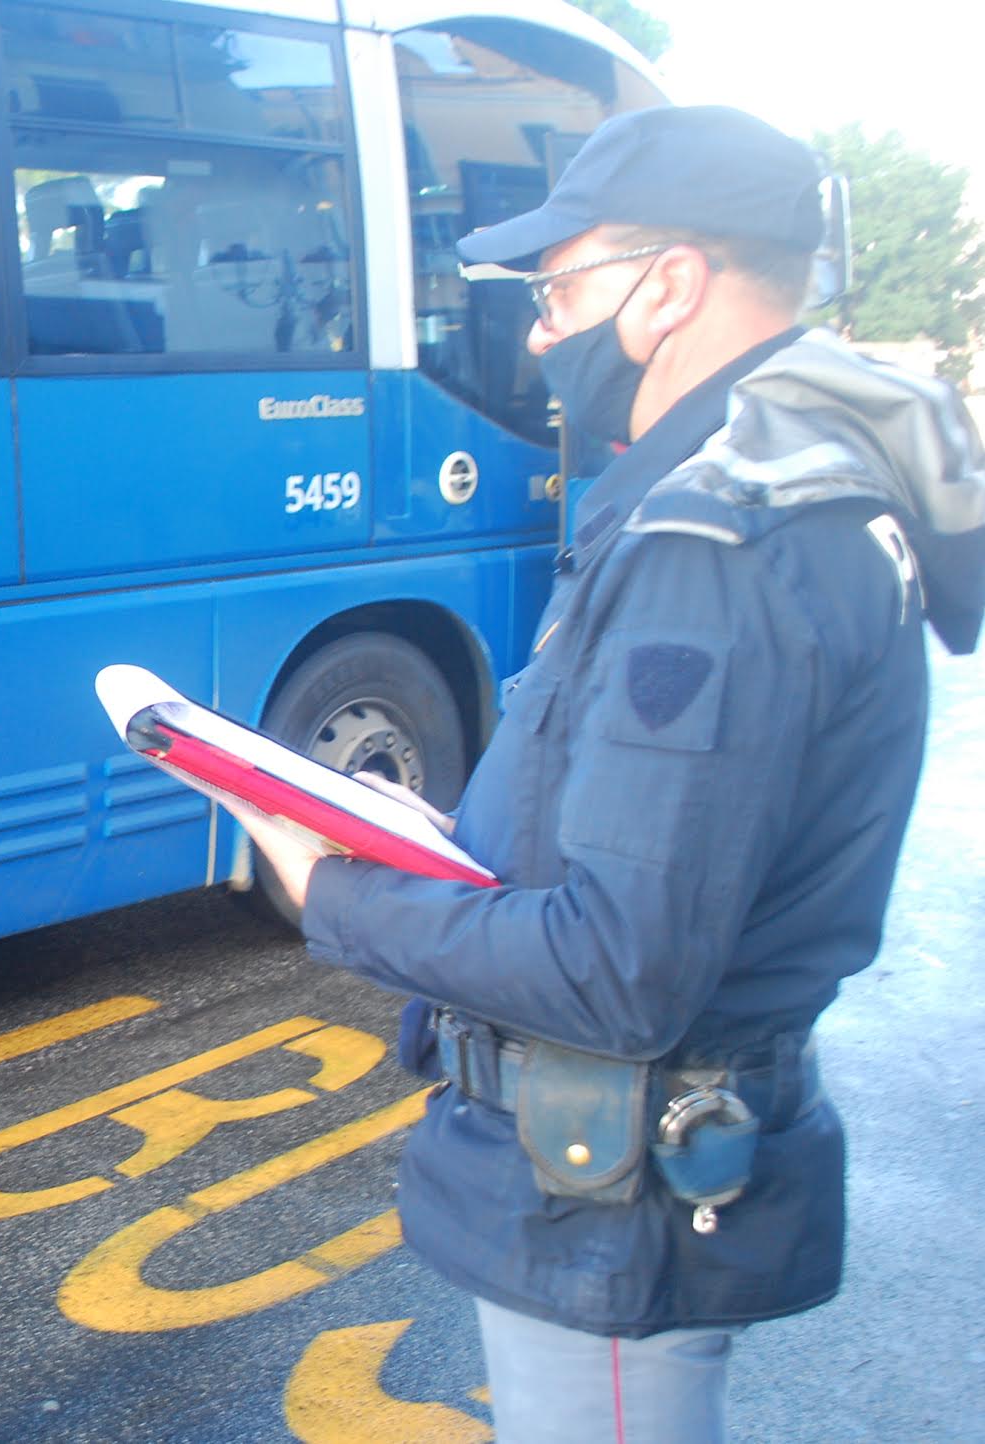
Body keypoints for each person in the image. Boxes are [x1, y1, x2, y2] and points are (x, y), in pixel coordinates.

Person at [240, 106, 985, 1441]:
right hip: (622, 1177)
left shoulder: (717, 538)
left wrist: (333, 890)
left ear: (669, 284)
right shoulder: (768, 489)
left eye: (557, 286)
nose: (537, 328)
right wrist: (441, 831)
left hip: (607, 1199)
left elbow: (616, 966)